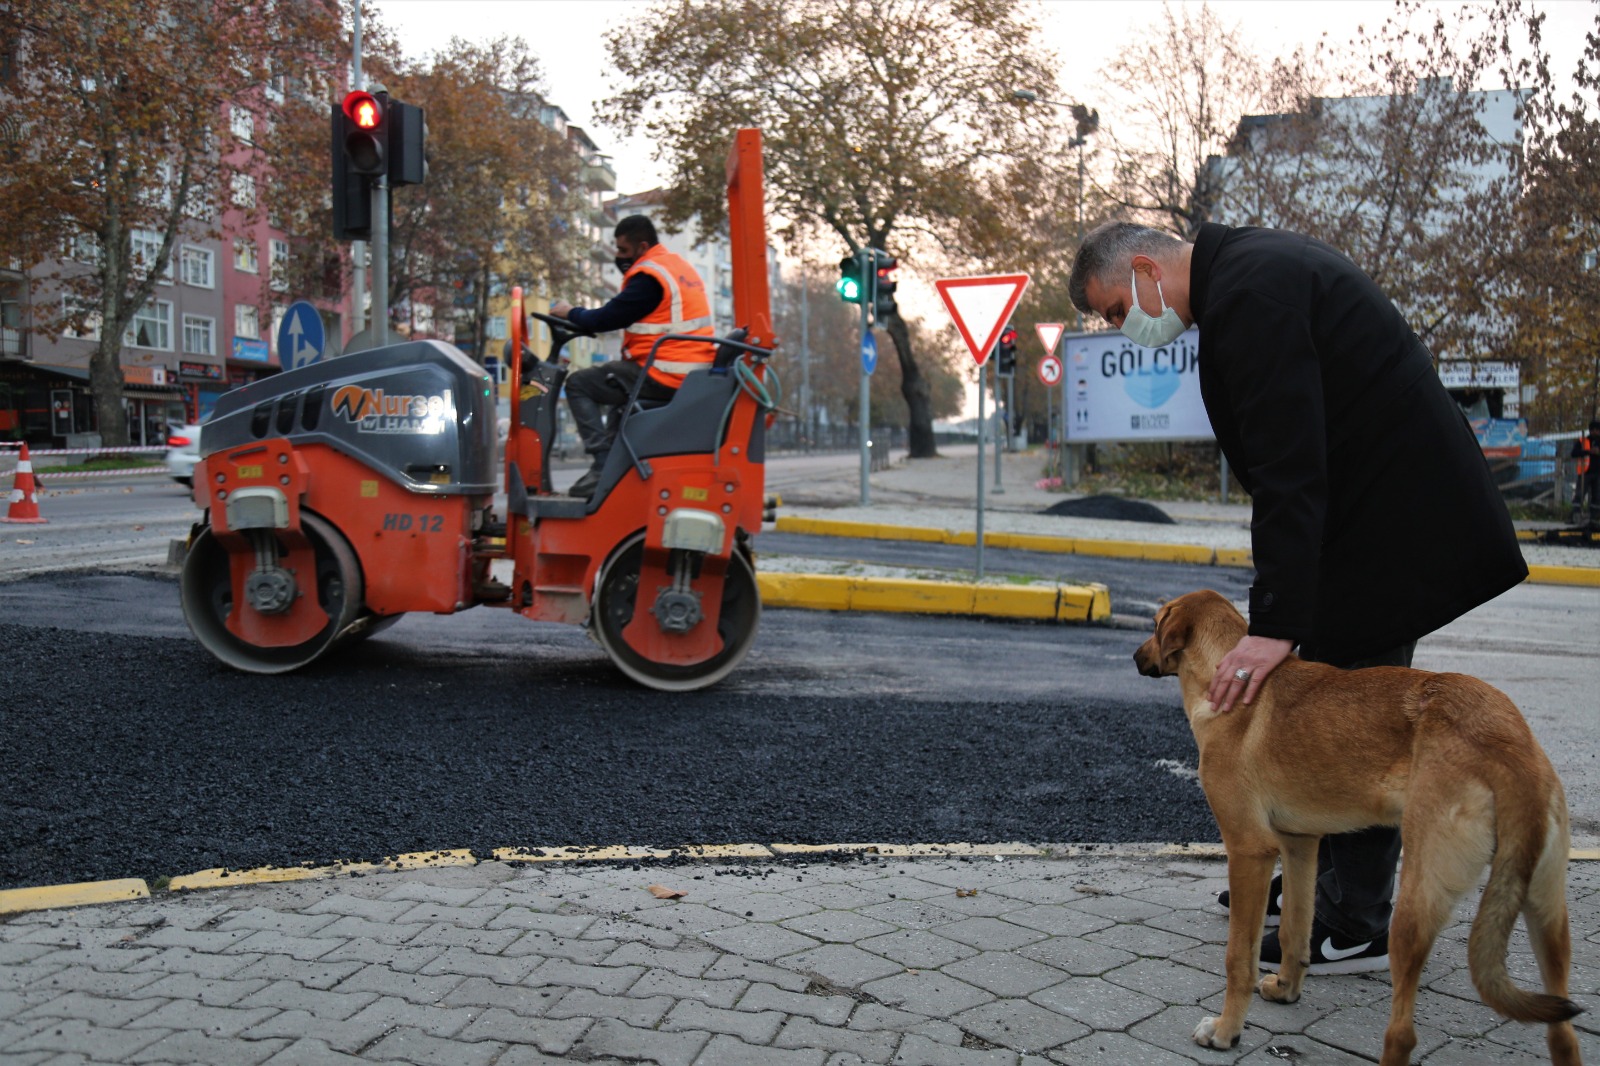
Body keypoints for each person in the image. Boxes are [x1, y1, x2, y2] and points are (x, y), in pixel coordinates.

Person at [1069, 220, 1528, 975]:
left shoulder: (1250, 292)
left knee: (1359, 725)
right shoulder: (1246, 273)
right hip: (1379, 520)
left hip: (1395, 530)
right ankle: (1325, 884)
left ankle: (1356, 922)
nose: (1125, 328)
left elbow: (1290, 464)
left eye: (1117, 310)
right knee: (1335, 708)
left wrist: (1275, 624)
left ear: (1147, 268)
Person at [549, 214, 715, 498]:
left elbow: (607, 318)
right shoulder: (676, 267)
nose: (618, 256)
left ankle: (602, 464)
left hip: (665, 371)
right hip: (687, 371)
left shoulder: (650, 277)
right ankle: (615, 479)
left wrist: (570, 312)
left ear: (642, 246)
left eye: (623, 250)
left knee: (579, 384)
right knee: (617, 396)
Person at [1570, 419, 1598, 526]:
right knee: (1580, 495)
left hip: (1598, 474)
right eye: (1595, 430)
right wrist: (1588, 451)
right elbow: (1574, 453)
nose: (1597, 432)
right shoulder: (1583, 441)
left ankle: (1594, 518)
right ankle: (1575, 516)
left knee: (1597, 496)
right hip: (1585, 473)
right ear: (1591, 430)